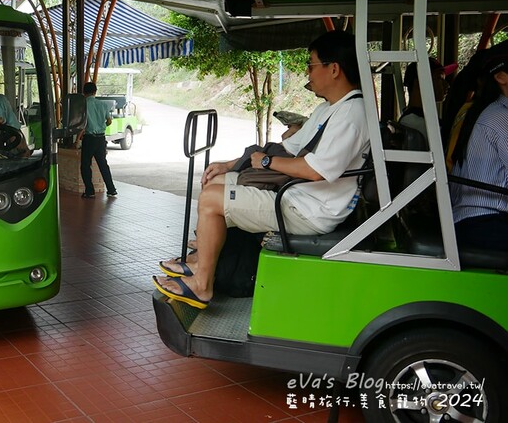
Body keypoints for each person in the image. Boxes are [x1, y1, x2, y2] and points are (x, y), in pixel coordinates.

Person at [155, 31, 370, 309]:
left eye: (311, 65)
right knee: (216, 181)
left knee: (210, 200)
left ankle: (202, 285)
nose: (307, 73)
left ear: (334, 69)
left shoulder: (352, 115)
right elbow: (288, 148)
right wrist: (230, 164)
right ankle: (201, 261)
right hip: (297, 195)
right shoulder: (328, 109)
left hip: (310, 210)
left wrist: (267, 163)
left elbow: (314, 171)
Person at [449, 44, 508, 250]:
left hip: (475, 221)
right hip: (485, 221)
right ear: (501, 76)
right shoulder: (501, 117)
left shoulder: (487, 111)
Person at [79, 81, 118, 199]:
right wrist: (102, 125)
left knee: (86, 165)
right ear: (95, 92)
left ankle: (90, 191)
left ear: (84, 92)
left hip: (89, 138)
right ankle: (111, 189)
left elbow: (81, 123)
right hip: (101, 139)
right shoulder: (103, 104)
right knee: (103, 164)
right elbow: (109, 121)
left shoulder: (83, 105)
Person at [399, 57, 450, 139]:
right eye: (439, 78)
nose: (447, 85)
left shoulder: (416, 119)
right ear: (419, 83)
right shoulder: (417, 123)